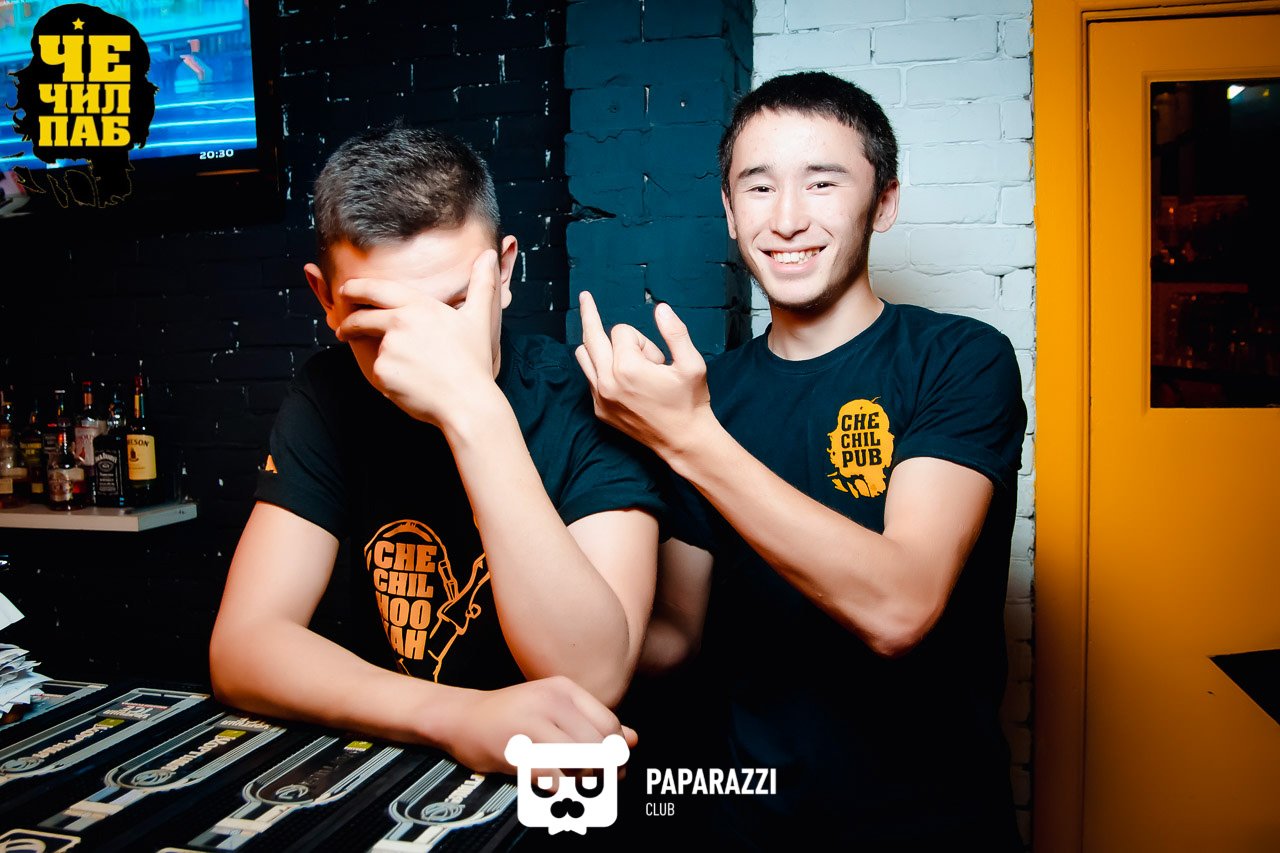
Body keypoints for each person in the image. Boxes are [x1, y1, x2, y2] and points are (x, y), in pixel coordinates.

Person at [575, 72, 1026, 848]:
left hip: (932, 827)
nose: (786, 219)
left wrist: (688, 437)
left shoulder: (957, 358)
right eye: (758, 187)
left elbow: (900, 606)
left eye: (823, 182)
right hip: (746, 822)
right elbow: (677, 635)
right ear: (728, 210)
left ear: (883, 202)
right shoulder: (705, 395)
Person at [209, 126, 664, 774]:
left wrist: (472, 407)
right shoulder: (329, 393)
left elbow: (592, 674)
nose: (429, 349)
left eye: (455, 306)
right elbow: (243, 646)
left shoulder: (589, 395)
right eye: (384, 320)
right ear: (327, 299)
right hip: (399, 773)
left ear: (504, 270)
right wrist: (455, 716)